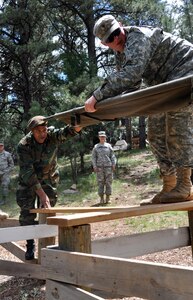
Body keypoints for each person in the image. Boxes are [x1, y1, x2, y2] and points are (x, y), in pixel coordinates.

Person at [84, 14, 193, 205]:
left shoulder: (137, 37)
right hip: (165, 84)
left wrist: (97, 96)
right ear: (104, 43)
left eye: (117, 32)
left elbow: (131, 74)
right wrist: (107, 107)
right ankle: (170, 184)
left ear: (121, 26)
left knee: (175, 127)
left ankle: (185, 185)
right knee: (155, 133)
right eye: (110, 38)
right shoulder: (121, 53)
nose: (116, 38)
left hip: (186, 71)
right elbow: (129, 85)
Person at [16, 115, 82, 260]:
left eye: (44, 130)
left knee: (48, 210)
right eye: (38, 131)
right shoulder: (24, 145)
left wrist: (79, 124)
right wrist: (40, 193)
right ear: (32, 131)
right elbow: (27, 172)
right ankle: (30, 243)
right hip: (29, 181)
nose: (43, 134)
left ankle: (47, 245)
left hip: (48, 178)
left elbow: (68, 132)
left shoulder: (52, 135)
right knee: (26, 211)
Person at [92, 131, 116, 204]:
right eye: (101, 137)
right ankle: (101, 198)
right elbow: (93, 157)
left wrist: (114, 164)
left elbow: (112, 156)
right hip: (99, 168)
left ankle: (108, 198)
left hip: (108, 167)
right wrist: (94, 166)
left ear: (105, 137)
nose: (102, 138)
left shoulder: (108, 146)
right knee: (100, 183)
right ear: (99, 137)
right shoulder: (96, 147)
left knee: (108, 182)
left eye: (104, 136)